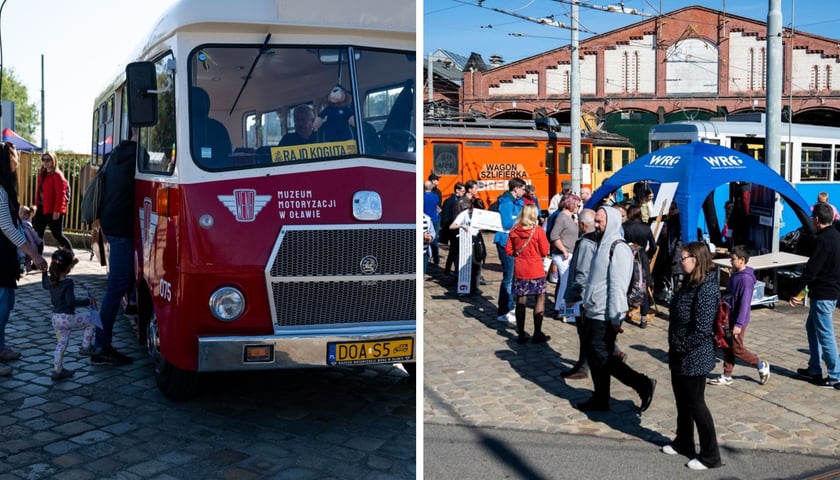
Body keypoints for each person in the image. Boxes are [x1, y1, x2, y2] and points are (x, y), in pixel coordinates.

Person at [575, 206, 656, 413]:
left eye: (600, 221)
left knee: (603, 357)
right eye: (596, 221)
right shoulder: (601, 244)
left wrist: (616, 317)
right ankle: (601, 398)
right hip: (594, 309)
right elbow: (594, 279)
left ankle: (642, 384)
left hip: (606, 314)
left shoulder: (618, 247)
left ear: (611, 222)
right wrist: (585, 304)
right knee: (595, 357)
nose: (596, 224)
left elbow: (618, 285)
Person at [662, 241, 723, 471]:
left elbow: (703, 328)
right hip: (679, 352)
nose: (680, 260)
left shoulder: (707, 288)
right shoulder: (689, 281)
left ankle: (710, 455)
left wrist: (682, 345)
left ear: (695, 259)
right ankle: (683, 440)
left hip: (694, 355)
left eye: (684, 257)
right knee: (681, 401)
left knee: (697, 404)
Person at [92, 130, 148, 366]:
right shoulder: (140, 155)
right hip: (123, 228)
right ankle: (101, 347)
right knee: (116, 287)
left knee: (118, 285)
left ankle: (100, 344)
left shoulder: (114, 154)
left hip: (109, 224)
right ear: (141, 133)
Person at [0, 142, 48, 376]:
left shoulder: (5, 188)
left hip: (5, 257)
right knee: (0, 305)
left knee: (6, 304)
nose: (17, 162)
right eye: (13, 158)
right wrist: (34, 254)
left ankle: (0, 347)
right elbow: (7, 228)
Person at [789, 202, 840, 388]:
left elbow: (811, 270)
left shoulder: (823, 240)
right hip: (830, 291)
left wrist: (796, 291)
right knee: (812, 328)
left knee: (826, 335)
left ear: (817, 220)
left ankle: (836, 375)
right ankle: (814, 368)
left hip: (824, 294)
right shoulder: (836, 236)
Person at [709, 245, 770, 386]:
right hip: (728, 316)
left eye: (733, 259)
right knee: (727, 346)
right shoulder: (736, 275)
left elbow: (744, 303)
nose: (731, 262)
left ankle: (760, 364)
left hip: (737, 319)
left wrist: (738, 324)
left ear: (742, 260)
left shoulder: (745, 279)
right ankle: (727, 374)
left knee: (736, 348)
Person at [42, 249, 99, 380]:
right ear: (68, 268)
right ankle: (85, 346)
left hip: (55, 319)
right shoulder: (68, 283)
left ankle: (57, 370)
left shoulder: (50, 281)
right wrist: (88, 300)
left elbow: (44, 284)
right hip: (67, 318)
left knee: (61, 344)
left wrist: (44, 272)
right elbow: (71, 302)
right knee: (91, 319)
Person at [505, 204, 551, 344]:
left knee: (521, 300)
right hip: (536, 268)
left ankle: (521, 333)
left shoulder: (514, 231)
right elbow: (544, 251)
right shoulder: (537, 231)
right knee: (540, 298)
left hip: (520, 269)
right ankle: (537, 332)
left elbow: (508, 250)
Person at [561, 208, 598, 380]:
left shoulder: (586, 242)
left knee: (585, 334)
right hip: (592, 294)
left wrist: (573, 297)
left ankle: (583, 366)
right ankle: (583, 364)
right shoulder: (598, 239)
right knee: (588, 334)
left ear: (583, 225)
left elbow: (581, 273)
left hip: (583, 296)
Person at [494, 177, 527, 324]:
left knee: (513, 277)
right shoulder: (506, 202)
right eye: (523, 188)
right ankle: (504, 310)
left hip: (515, 242)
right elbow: (507, 223)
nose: (524, 191)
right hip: (505, 241)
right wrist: (523, 220)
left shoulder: (518, 202)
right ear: (516, 188)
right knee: (508, 278)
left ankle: (509, 306)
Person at [622, 204, 656, 328]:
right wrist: (648, 255)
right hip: (642, 258)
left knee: (626, 286)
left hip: (628, 258)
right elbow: (653, 246)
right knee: (644, 287)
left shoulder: (624, 227)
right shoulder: (646, 228)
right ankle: (643, 319)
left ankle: (623, 312)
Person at [549, 193, 581, 321]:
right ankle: (565, 312)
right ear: (571, 204)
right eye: (578, 205)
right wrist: (564, 250)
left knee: (565, 284)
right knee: (566, 284)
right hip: (564, 255)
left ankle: (561, 310)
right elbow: (553, 236)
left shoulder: (569, 217)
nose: (579, 207)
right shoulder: (562, 217)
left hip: (567, 253)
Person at [33, 151, 73, 252]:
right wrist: (36, 207)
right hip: (41, 208)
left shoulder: (57, 175)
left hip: (52, 210)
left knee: (57, 234)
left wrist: (57, 211)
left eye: (48, 160)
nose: (45, 162)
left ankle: (70, 254)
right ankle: (38, 259)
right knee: (38, 234)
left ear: (53, 160)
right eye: (43, 160)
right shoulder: (42, 174)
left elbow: (61, 195)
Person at [17, 205, 43, 273]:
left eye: (20, 213)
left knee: (22, 253)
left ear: (26, 216)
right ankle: (23, 266)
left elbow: (31, 234)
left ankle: (22, 266)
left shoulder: (25, 224)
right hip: (23, 241)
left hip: (25, 242)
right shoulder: (23, 223)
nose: (18, 215)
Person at [439, 182, 464, 249]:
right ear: (457, 190)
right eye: (462, 191)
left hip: (461, 227)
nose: (463, 193)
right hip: (452, 227)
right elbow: (445, 216)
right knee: (454, 248)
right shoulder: (449, 201)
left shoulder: (463, 200)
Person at [423, 181, 441, 266]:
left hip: (425, 220)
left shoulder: (421, 197)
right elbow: (436, 206)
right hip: (434, 219)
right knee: (434, 239)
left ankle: (426, 255)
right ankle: (436, 259)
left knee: (424, 239)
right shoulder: (435, 196)